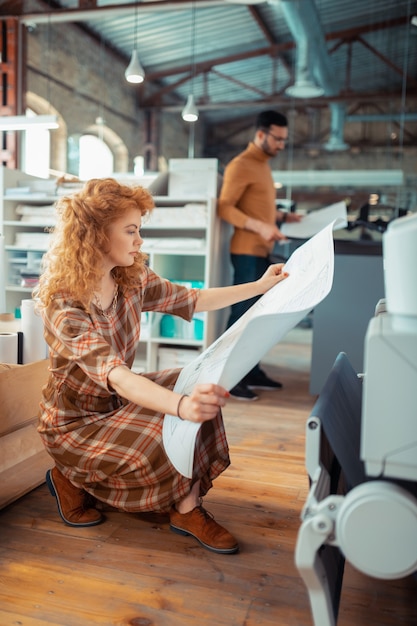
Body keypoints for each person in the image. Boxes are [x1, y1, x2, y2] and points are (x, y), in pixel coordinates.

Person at [34, 177, 289, 555]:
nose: (139, 241)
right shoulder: (64, 304)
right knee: (171, 419)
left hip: (114, 403)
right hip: (77, 423)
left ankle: (187, 509)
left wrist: (259, 287)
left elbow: (193, 299)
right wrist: (180, 406)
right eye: (131, 230)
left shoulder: (130, 279)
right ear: (97, 235)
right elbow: (118, 377)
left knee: (200, 386)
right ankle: (70, 474)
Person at [217, 110, 302, 401]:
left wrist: (283, 217)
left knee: (259, 317)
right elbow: (225, 207)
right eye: (277, 139)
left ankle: (250, 370)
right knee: (243, 316)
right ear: (261, 134)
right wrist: (259, 226)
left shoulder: (263, 165)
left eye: (284, 140)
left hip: (260, 252)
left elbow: (256, 207)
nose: (281, 145)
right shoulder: (241, 165)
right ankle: (225, 379)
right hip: (245, 252)